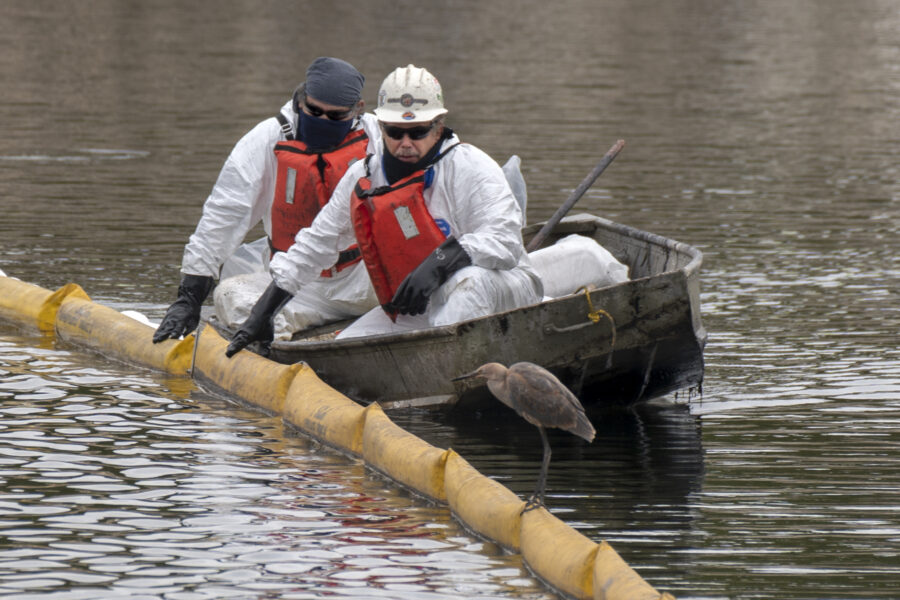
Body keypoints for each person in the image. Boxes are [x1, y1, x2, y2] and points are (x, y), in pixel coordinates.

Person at [225, 64, 543, 357]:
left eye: (417, 131)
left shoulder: (471, 167)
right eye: (394, 131)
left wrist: (441, 262)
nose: (406, 143)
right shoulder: (363, 177)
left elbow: (507, 244)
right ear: (381, 128)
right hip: (422, 303)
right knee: (344, 352)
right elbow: (314, 246)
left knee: (469, 282)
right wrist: (262, 314)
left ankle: (451, 371)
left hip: (503, 288)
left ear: (438, 126)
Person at [152, 57, 381, 344]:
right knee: (230, 297)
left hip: (366, 276)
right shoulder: (266, 139)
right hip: (299, 287)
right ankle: (279, 353)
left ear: (357, 109)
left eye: (335, 117)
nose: (323, 122)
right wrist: (189, 298)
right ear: (300, 99)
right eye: (314, 111)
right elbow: (224, 216)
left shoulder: (380, 137)